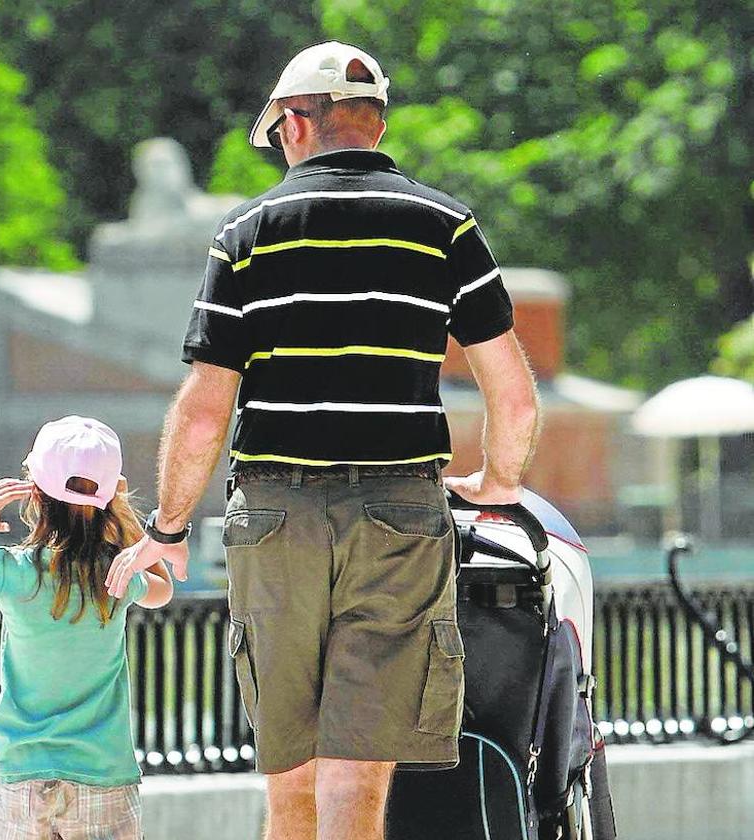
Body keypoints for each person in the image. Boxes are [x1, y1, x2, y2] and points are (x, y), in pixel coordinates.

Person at [106, 41, 540, 840]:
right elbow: (509, 392)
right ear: (372, 123)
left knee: (291, 776)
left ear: (300, 121)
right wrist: (499, 480)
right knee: (359, 775)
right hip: (401, 514)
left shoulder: (247, 230)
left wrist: (168, 530)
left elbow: (205, 408)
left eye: (276, 132)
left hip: (274, 514)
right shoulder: (445, 226)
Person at [0, 415, 175, 840]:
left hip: (20, 771)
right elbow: (163, 589)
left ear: (35, 492)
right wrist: (124, 514)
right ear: (109, 496)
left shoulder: (15, 570)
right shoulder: (116, 574)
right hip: (102, 772)